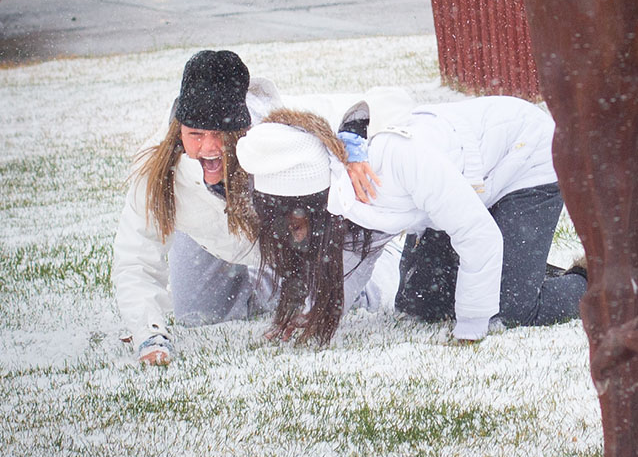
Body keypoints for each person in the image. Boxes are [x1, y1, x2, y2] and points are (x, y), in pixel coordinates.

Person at [112, 49, 391, 365]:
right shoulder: (158, 168)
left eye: (220, 135)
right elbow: (135, 257)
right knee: (199, 313)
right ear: (180, 131)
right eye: (195, 135)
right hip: (209, 235)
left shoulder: (279, 140)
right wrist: (148, 334)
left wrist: (353, 144)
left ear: (240, 131)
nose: (208, 148)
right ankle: (264, 286)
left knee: (321, 297)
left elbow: (369, 106)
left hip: (279, 242)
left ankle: (363, 278)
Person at [236, 95, 587, 343]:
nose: (292, 232)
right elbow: (354, 255)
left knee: (512, 307)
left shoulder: (394, 163)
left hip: (524, 157)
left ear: (311, 201)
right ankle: (522, 267)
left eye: (293, 219)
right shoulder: (339, 198)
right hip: (462, 190)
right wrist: (318, 312)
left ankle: (591, 279)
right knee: (421, 300)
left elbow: (478, 236)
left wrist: (470, 328)